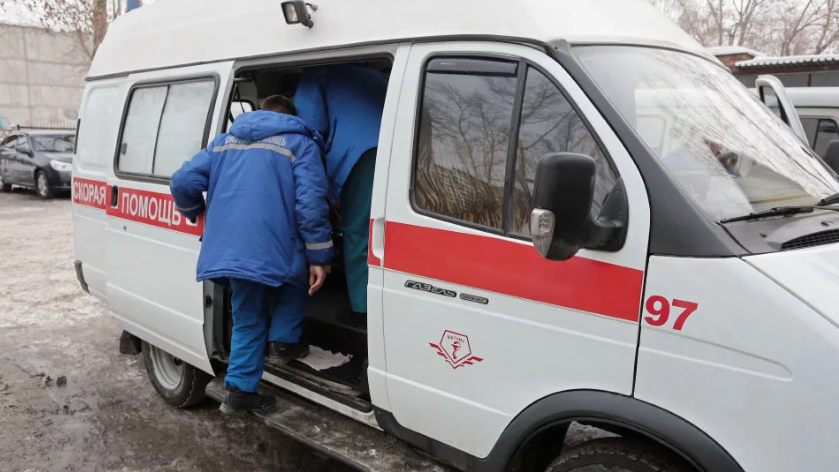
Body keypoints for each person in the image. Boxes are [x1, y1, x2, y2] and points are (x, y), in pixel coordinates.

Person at [170, 95, 333, 415]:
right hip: (277, 245)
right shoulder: (300, 144)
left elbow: (182, 180)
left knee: (247, 314)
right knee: (298, 276)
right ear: (290, 117)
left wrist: (195, 209)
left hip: (231, 247)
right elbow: (311, 204)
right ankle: (283, 341)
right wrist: (319, 256)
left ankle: (240, 390)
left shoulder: (223, 143)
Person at [294, 64, 388, 317]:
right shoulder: (373, 73)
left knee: (360, 230)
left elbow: (308, 130)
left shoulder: (317, 73)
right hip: (395, 145)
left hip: (361, 151)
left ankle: (363, 308)